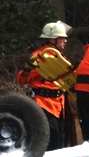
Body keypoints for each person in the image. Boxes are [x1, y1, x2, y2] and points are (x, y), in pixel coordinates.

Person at [16, 21, 71, 150]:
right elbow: (22, 79)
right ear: (53, 39)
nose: (66, 41)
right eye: (63, 38)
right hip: (45, 105)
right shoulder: (41, 56)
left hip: (58, 104)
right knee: (51, 144)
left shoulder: (56, 55)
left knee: (59, 143)